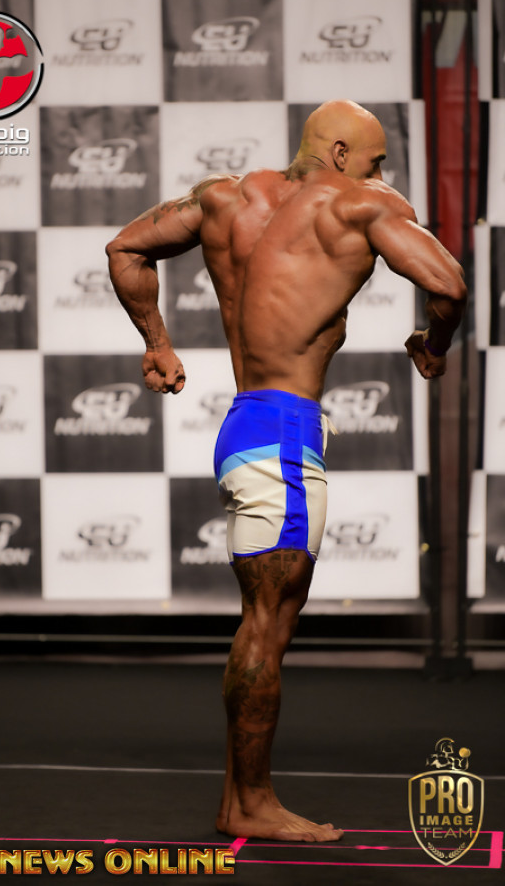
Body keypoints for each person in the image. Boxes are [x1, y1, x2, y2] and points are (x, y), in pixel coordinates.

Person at [106, 100, 467, 842]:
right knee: (268, 628)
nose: (381, 172)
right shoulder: (359, 204)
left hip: (243, 428)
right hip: (284, 439)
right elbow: (450, 284)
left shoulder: (223, 199)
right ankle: (253, 803)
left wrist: (158, 344)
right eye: (375, 159)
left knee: (259, 623)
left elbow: (126, 248)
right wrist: (433, 346)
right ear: (339, 153)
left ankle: (236, 801)